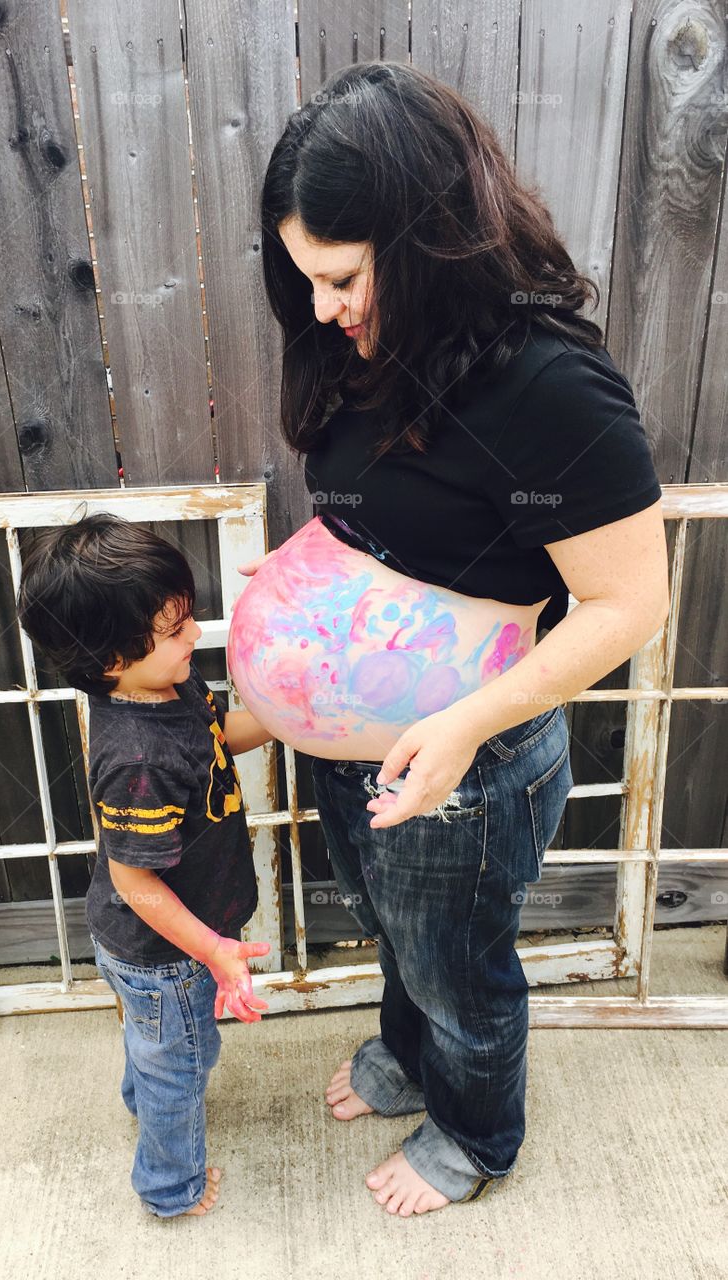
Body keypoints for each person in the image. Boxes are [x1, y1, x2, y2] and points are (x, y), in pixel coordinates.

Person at [243, 61, 670, 1217]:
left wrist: (462, 721)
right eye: (305, 280)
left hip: (469, 762)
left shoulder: (553, 388)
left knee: (455, 963)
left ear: (428, 242)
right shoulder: (357, 348)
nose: (323, 309)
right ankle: (405, 1056)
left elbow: (632, 607)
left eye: (341, 277)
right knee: (392, 929)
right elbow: (380, 524)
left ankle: (476, 1131)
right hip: (360, 749)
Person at [17, 512, 274, 1218]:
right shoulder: (138, 758)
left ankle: (141, 1095)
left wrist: (291, 712)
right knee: (181, 1067)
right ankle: (170, 1189)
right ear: (109, 659)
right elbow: (136, 879)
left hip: (153, 948)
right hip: (165, 953)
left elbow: (224, 736)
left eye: (187, 618)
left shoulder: (170, 688)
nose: (195, 634)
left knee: (155, 1046)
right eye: (174, 630)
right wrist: (216, 950)